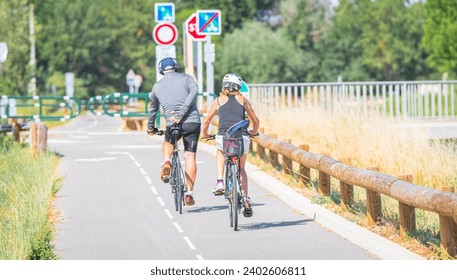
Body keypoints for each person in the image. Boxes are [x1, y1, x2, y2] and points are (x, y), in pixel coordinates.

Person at [201, 73, 259, 217]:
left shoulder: (218, 101)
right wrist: (253, 132)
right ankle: (245, 198)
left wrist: (205, 134)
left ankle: (220, 181)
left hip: (224, 137)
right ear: (238, 87)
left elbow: (207, 120)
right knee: (242, 169)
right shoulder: (243, 100)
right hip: (242, 138)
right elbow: (256, 120)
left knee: (220, 151)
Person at [147, 57, 201, 206]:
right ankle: (189, 193)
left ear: (161, 70)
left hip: (172, 123)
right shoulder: (187, 78)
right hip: (192, 122)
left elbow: (153, 109)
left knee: (168, 142)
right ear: (176, 67)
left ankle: (167, 161)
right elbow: (195, 90)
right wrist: (183, 111)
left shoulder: (157, 86)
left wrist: (150, 127)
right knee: (190, 157)